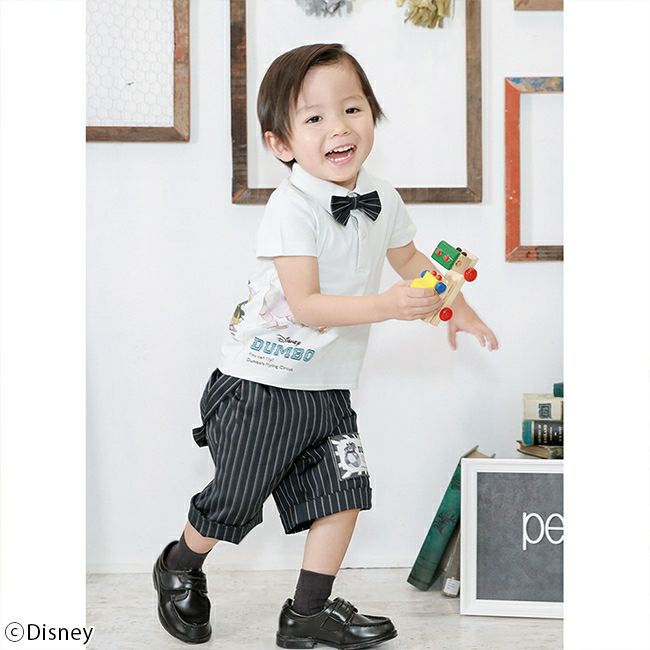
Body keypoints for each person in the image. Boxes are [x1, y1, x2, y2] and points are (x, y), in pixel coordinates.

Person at [153, 43, 498, 648]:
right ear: (281, 144)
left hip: (329, 386)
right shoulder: (292, 208)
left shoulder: (383, 198)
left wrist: (458, 307)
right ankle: (180, 563)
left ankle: (307, 614)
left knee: (344, 494)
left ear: (372, 115)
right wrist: (388, 306)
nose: (339, 127)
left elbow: (410, 260)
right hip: (261, 382)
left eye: (352, 109)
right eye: (314, 118)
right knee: (235, 500)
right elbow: (308, 305)